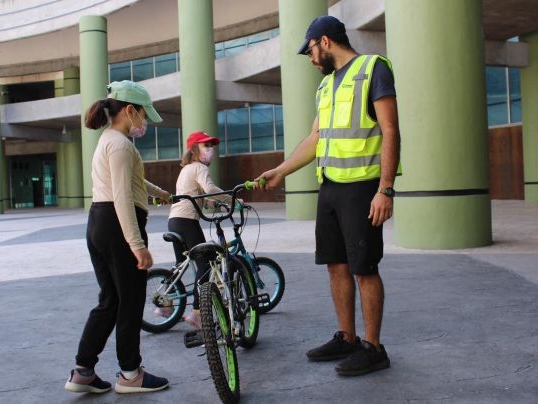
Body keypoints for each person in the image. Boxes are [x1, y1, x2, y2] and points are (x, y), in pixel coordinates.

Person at [256, 16, 401, 377]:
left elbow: (390, 129)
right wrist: (280, 170)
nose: (309, 57)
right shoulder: (325, 87)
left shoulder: (373, 68)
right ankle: (348, 338)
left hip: (363, 187)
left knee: (364, 267)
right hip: (331, 187)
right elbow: (315, 140)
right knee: (336, 264)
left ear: (324, 41)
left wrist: (385, 189)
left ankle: (374, 347)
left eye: (309, 50)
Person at [65, 80, 172, 394]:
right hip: (117, 223)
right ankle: (130, 374)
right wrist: (137, 245)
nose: (145, 122)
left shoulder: (108, 140)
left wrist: (160, 193)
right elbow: (123, 197)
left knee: (110, 300)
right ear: (130, 110)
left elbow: (131, 182)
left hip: (98, 222)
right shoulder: (122, 145)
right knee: (130, 301)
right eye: (143, 114)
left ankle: (83, 371)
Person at [158, 131, 230, 330]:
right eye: (205, 146)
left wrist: (215, 204)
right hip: (188, 221)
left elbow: (197, 196)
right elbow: (210, 189)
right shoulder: (200, 167)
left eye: (211, 145)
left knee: (181, 264)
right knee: (205, 265)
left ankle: (165, 304)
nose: (210, 150)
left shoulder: (187, 169)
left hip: (174, 220)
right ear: (194, 149)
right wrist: (233, 201)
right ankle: (197, 313)